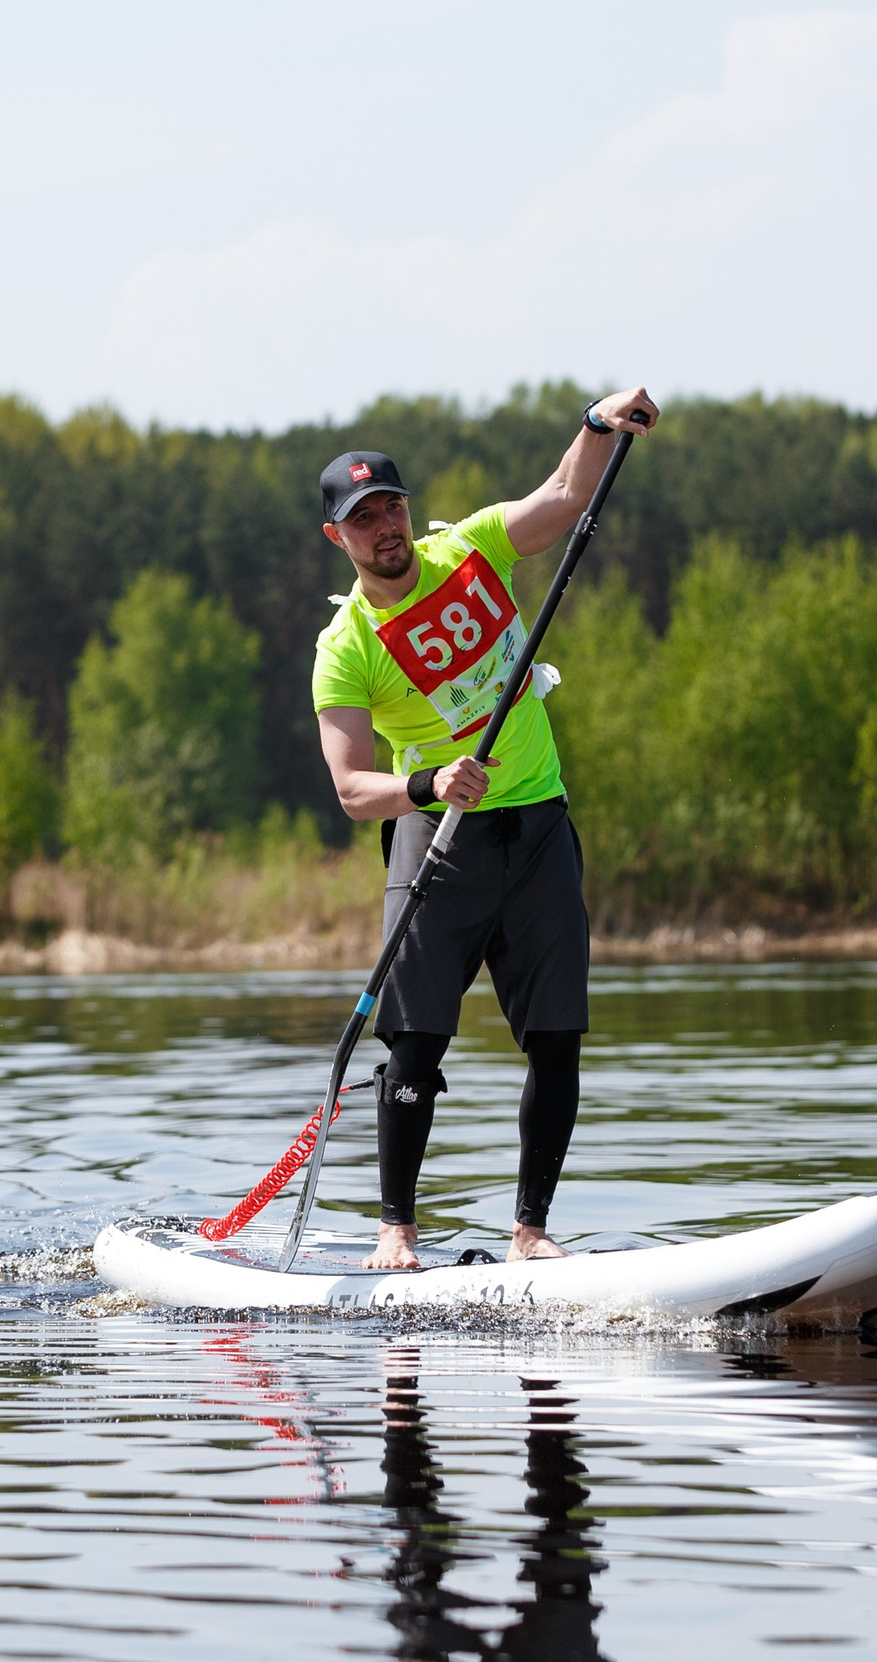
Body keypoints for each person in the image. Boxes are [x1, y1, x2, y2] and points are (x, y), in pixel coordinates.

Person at [309, 388, 660, 1270]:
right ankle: (396, 1232)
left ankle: (531, 1233)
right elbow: (352, 789)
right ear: (338, 537)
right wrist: (427, 782)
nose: (384, 528)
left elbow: (563, 495)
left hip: (538, 830)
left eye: (391, 507)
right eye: (363, 519)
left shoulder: (469, 548)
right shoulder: (347, 645)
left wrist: (596, 423)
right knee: (415, 1042)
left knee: (557, 1038)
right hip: (438, 842)